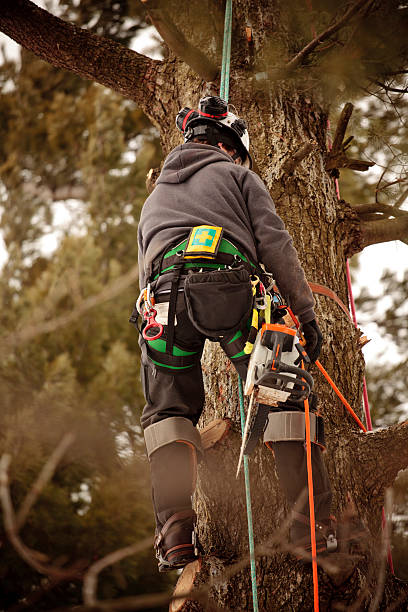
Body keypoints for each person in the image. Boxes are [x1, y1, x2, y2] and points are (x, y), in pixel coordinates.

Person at [134, 96, 335, 572]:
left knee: (167, 411)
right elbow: (275, 245)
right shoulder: (238, 176)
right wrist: (305, 318)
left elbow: (145, 268)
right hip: (230, 288)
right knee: (284, 395)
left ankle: (176, 533)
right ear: (230, 146)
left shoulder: (153, 199)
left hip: (163, 303)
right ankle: (311, 526)